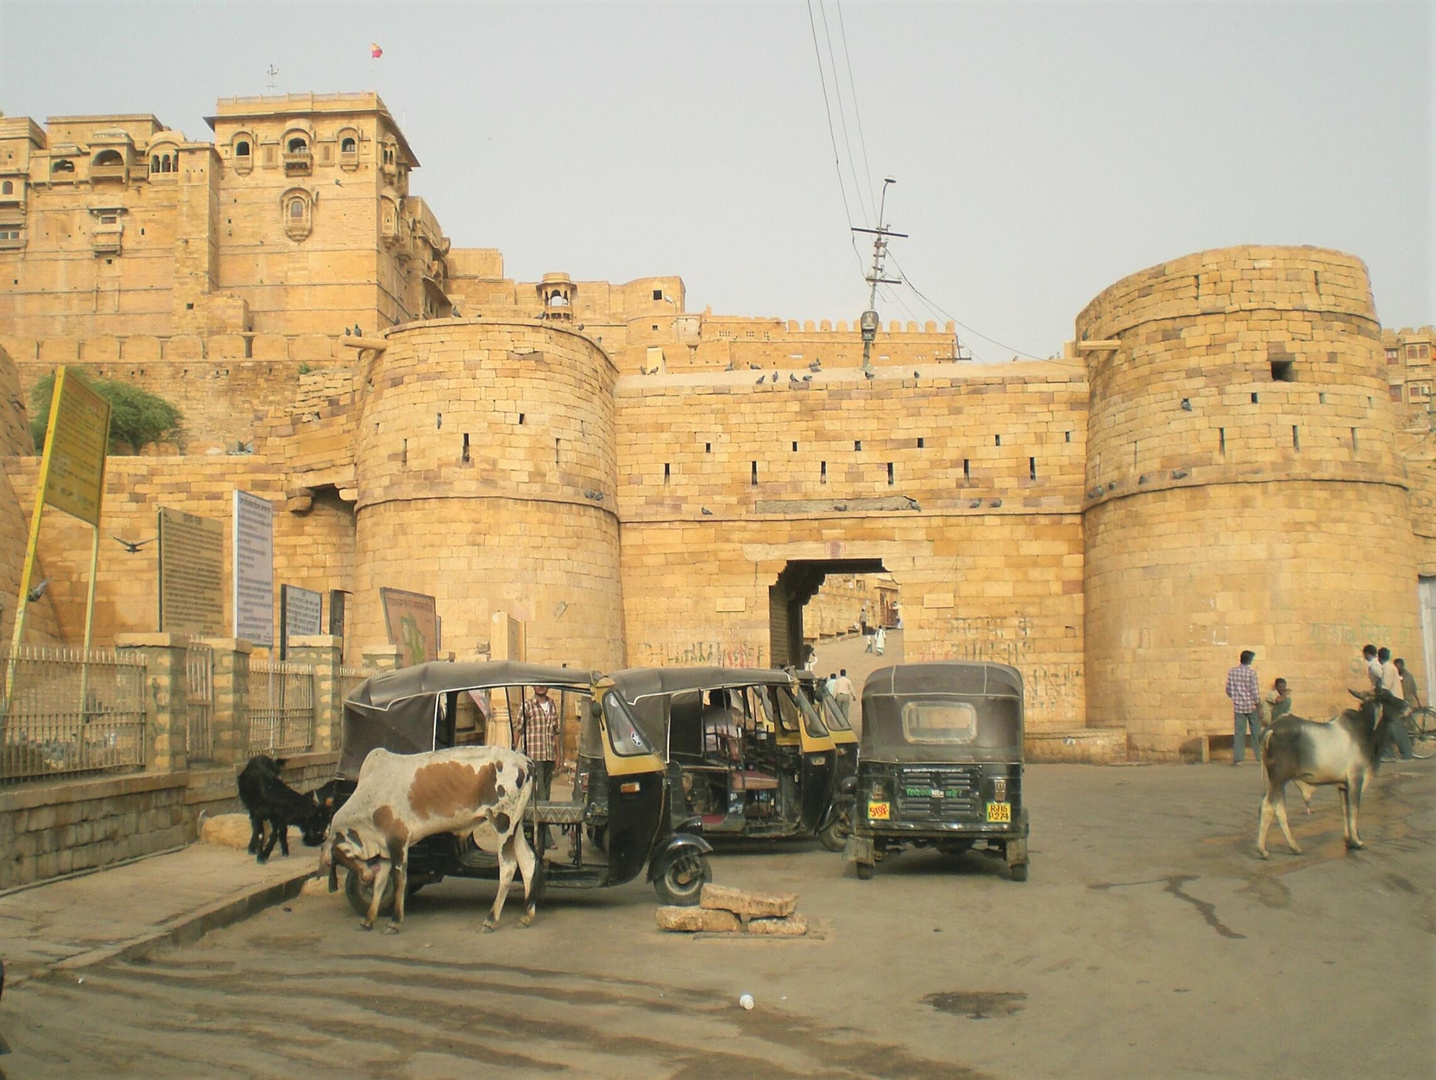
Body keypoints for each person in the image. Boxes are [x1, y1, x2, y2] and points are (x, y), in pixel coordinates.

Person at [516, 685, 561, 802]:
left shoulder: (552, 706)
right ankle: (537, 816)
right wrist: (512, 751)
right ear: (533, 686)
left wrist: (558, 755)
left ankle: (544, 816)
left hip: (549, 755)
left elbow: (556, 731)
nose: (541, 687)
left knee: (546, 789)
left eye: (544, 685)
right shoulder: (527, 705)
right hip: (534, 755)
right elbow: (518, 729)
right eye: (538, 685)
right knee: (538, 789)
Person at [1224, 650, 1261, 765]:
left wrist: (1236, 697)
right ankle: (1260, 757)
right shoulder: (1251, 673)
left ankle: (1238, 759)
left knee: (1239, 733)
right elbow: (1254, 692)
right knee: (1256, 732)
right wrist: (1259, 706)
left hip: (1238, 707)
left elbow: (1228, 689)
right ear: (1249, 660)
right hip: (1251, 707)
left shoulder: (1232, 672)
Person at [1377, 646, 1412, 761]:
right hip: (1396, 700)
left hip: (1392, 702)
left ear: (1379, 657)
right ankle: (1389, 753)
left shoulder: (1386, 668)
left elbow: (1385, 687)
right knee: (1387, 727)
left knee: (1394, 728)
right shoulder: (1392, 667)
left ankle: (1403, 754)